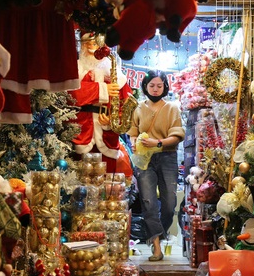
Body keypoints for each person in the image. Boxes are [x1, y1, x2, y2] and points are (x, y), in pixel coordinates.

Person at [128, 70, 185, 261]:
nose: (155, 89)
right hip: (145, 159)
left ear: (165, 87)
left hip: (167, 156)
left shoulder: (172, 108)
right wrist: (134, 142)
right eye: (151, 85)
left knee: (169, 203)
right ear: (145, 86)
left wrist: (158, 143)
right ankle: (156, 246)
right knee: (148, 202)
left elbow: (177, 136)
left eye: (159, 85)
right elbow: (133, 131)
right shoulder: (138, 108)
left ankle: (158, 233)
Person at [68, 33, 133, 176]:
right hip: (80, 133)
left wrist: (113, 121)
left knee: (107, 183)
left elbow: (126, 105)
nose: (91, 47)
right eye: (87, 42)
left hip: (107, 137)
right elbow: (71, 95)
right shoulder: (75, 71)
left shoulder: (116, 74)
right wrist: (101, 89)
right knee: (79, 181)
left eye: (96, 43)